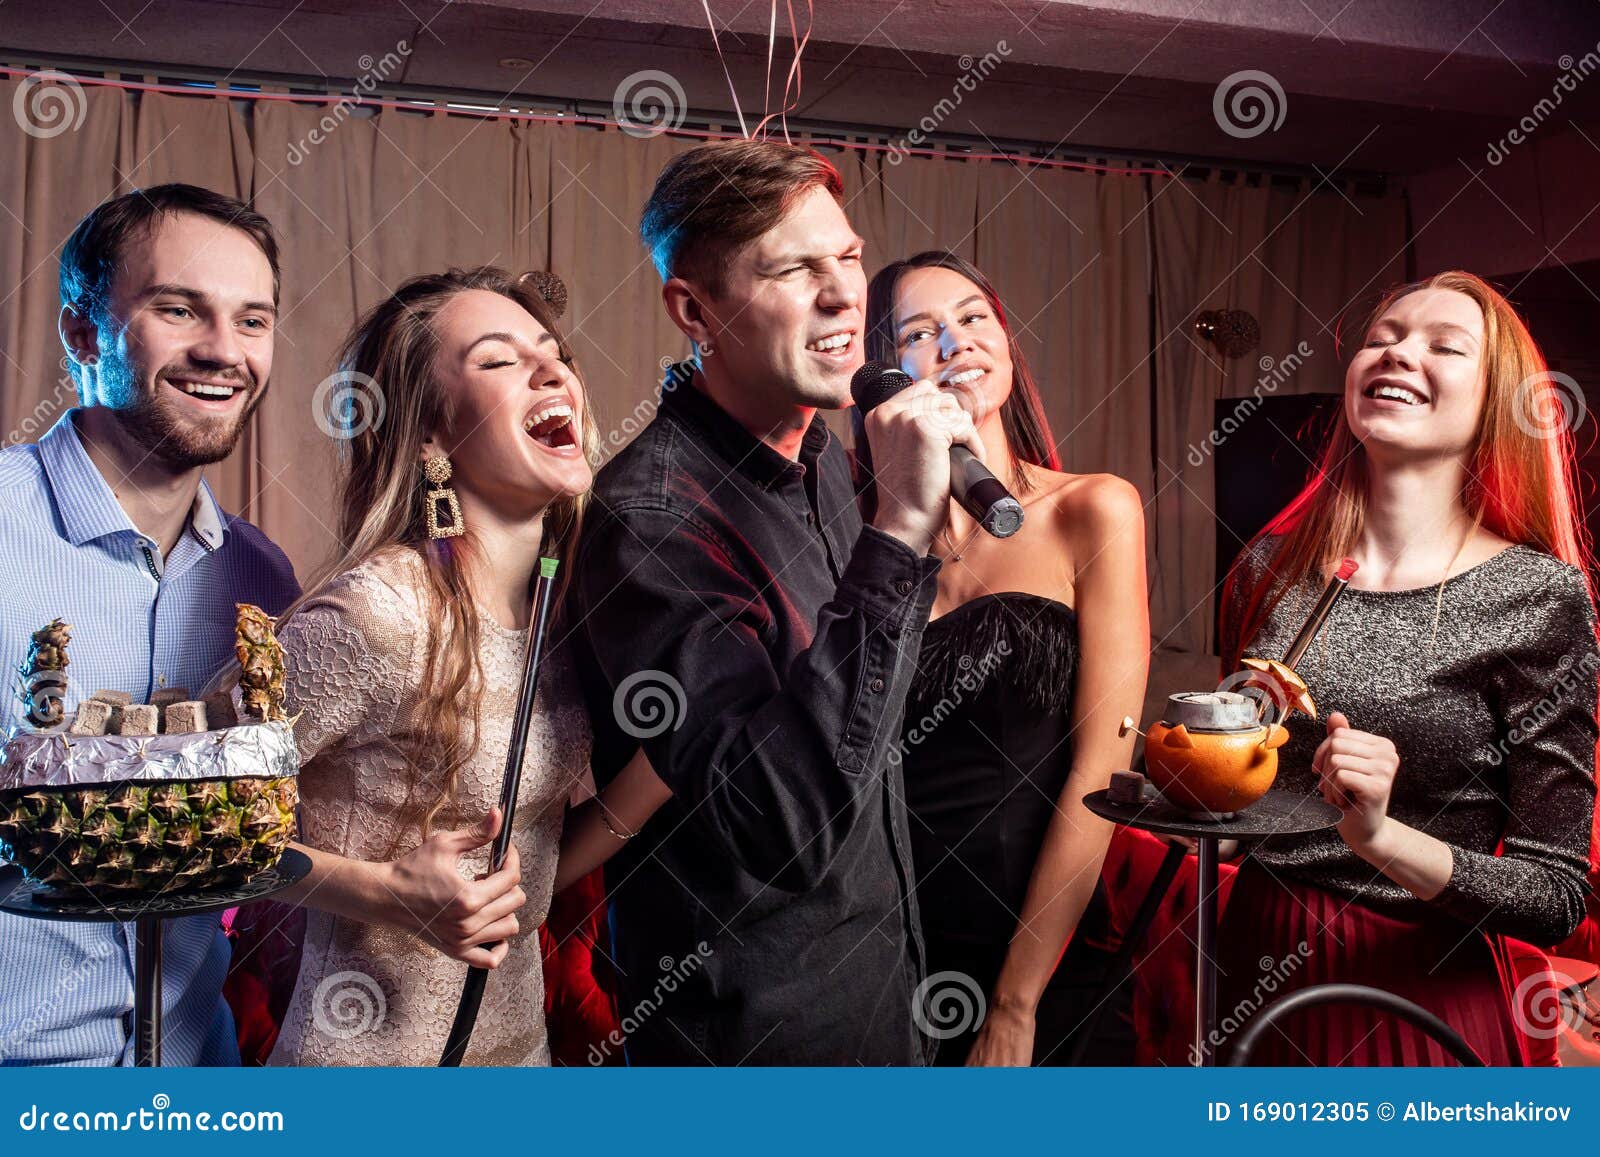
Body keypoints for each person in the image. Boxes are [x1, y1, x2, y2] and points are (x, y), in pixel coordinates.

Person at [571, 139, 981, 1064]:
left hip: (884, 1001)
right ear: (695, 308)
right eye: (796, 269)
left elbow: (860, 734)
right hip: (756, 1043)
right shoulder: (651, 518)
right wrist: (902, 531)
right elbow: (779, 825)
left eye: (848, 257)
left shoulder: (825, 459)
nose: (845, 295)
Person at [263, 267, 666, 1066]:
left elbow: (526, 866)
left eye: (553, 353)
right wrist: (382, 892)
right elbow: (196, 822)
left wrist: (667, 766)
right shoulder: (376, 614)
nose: (552, 370)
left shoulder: (565, 609)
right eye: (498, 359)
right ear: (430, 434)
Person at [1216, 270, 1598, 1065]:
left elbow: (1556, 896)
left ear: (1496, 402)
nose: (1397, 355)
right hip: (1252, 956)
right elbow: (1241, 782)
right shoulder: (1269, 568)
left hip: (1414, 991)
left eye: (1443, 345)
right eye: (1383, 338)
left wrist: (1382, 836)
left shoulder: (1538, 597)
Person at [0, 184, 300, 1066]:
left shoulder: (262, 576)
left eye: (253, 320)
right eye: (179, 309)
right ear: (83, 333)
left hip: (195, 1078)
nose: (223, 350)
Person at [860, 251, 1149, 1065]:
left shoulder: (1094, 508)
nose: (955, 341)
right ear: (885, 377)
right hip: (885, 939)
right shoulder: (869, 542)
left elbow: (1102, 773)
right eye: (920, 331)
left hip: (1043, 946)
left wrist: (1015, 1004)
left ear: (1008, 344)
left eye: (974, 316)